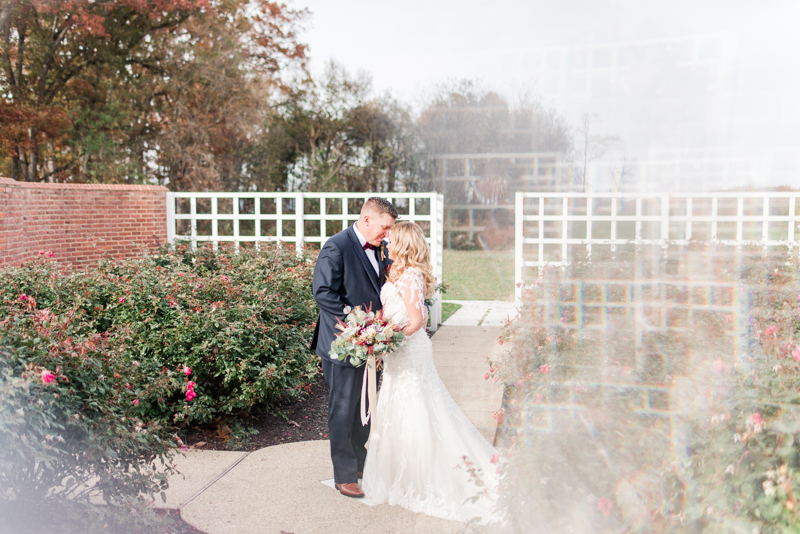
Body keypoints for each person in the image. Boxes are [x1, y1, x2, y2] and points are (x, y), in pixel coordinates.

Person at [362, 221, 500, 523]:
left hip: (410, 351)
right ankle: (398, 474)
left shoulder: (410, 276)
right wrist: (380, 333)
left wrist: (386, 336)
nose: (386, 240)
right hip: (399, 352)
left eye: (391, 237)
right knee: (398, 405)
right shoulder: (398, 272)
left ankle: (420, 477)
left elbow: (416, 321)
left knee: (418, 407)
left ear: (403, 243)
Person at [310, 197, 397, 498]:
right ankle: (344, 474)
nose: (387, 234)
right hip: (342, 344)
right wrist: (356, 327)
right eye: (384, 227)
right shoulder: (336, 246)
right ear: (367, 219)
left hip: (371, 345)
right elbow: (323, 293)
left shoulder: (381, 247)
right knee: (343, 409)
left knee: (365, 408)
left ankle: (360, 466)